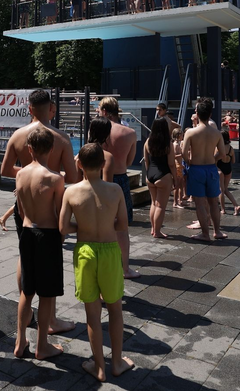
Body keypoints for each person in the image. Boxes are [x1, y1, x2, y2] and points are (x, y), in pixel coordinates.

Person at [0, 89, 79, 334]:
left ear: (29, 108)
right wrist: (50, 178)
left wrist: (27, 176)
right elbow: (73, 179)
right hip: (52, 207)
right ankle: (51, 319)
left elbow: (4, 170)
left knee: (25, 256)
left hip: (25, 206)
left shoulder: (18, 135)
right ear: (51, 109)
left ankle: (28, 311)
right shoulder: (62, 138)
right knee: (50, 265)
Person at [60, 144, 134, 382]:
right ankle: (118, 363)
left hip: (84, 252)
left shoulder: (71, 192)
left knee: (92, 314)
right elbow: (123, 225)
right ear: (103, 164)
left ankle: (99, 367)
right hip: (110, 251)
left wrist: (83, 227)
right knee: (115, 309)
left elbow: (63, 228)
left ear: (79, 164)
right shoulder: (115, 190)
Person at [14, 126, 65, 360]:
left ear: (30, 149)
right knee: (46, 294)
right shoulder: (55, 179)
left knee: (27, 291)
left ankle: (19, 340)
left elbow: (22, 209)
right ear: (52, 149)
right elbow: (60, 214)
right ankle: (42, 345)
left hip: (27, 233)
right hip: (47, 235)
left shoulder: (20, 174)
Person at [97, 97, 139, 279]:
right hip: (120, 179)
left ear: (105, 111)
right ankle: (125, 269)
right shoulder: (129, 133)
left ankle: (101, 265)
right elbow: (129, 161)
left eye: (99, 109)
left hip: (98, 179)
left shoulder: (98, 130)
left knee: (99, 223)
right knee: (121, 227)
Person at [182, 98, 228, 242]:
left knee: (200, 203)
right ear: (210, 114)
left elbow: (184, 153)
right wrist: (213, 159)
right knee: (214, 202)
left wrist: (189, 161)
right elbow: (223, 154)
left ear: (197, 114)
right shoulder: (217, 133)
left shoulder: (190, 133)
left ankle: (205, 233)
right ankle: (217, 231)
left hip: (196, 168)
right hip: (211, 168)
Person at [144, 118, 174, 239]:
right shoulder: (168, 143)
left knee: (153, 203)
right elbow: (171, 163)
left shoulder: (148, 141)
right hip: (163, 175)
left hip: (150, 174)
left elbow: (146, 160)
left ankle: (153, 228)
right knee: (161, 206)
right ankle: (157, 231)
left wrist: (148, 173)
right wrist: (175, 179)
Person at [216, 131, 240, 215]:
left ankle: (223, 209)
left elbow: (214, 160)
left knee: (221, 190)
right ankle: (236, 205)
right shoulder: (231, 148)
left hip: (220, 169)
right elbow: (233, 161)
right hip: (228, 169)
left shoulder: (218, 148)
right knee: (226, 190)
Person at [171, 128, 187, 209]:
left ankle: (180, 200)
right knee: (177, 185)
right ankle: (175, 202)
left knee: (181, 184)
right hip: (177, 165)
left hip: (179, 165)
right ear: (178, 135)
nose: (182, 136)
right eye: (181, 134)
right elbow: (173, 156)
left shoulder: (178, 143)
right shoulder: (175, 145)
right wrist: (182, 155)